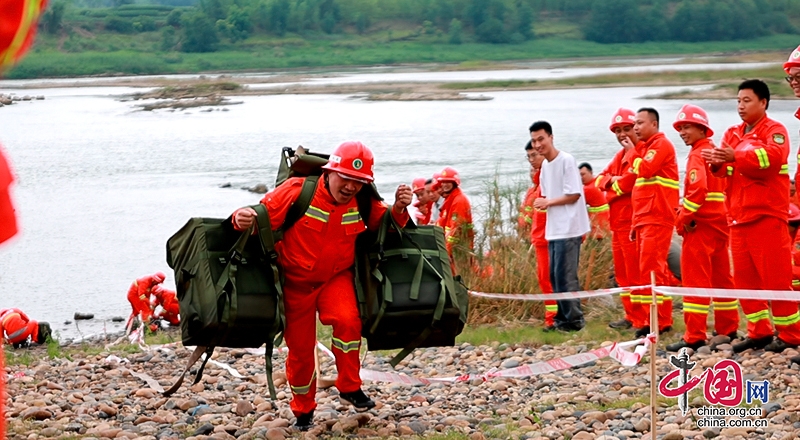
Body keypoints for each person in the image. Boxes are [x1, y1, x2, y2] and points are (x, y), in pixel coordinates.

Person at [232, 141, 412, 431]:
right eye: (347, 178)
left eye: (359, 181)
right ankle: (303, 411)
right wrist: (240, 220)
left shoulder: (363, 199)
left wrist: (400, 209)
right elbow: (260, 218)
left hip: (335, 278)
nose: (352, 186)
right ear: (330, 172)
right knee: (301, 352)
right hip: (295, 283)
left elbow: (385, 226)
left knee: (348, 322)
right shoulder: (298, 191)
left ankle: (350, 386)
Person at [702, 79, 800, 353]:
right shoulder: (733, 133)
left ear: (763, 103)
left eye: (747, 101)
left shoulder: (775, 130)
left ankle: (791, 335)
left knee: (776, 280)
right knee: (745, 281)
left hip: (767, 216)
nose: (741, 106)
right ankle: (759, 332)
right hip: (738, 218)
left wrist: (736, 155)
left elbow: (772, 158)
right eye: (738, 101)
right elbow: (725, 172)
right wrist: (717, 164)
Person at [666, 105, 738, 352]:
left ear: (701, 128)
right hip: (720, 225)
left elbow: (697, 192)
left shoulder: (699, 155)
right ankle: (727, 329)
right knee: (722, 280)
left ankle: (694, 335)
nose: (682, 132)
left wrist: (681, 220)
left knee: (695, 282)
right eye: (679, 128)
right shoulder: (715, 153)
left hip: (701, 227)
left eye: (686, 127)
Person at [531, 121, 590, 331]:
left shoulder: (566, 160)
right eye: (534, 140)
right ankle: (562, 318)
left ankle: (574, 321)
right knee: (554, 276)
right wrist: (544, 203)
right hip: (554, 228)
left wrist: (547, 202)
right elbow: (547, 194)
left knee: (566, 276)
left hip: (570, 227)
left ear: (551, 137)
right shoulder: (546, 166)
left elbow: (574, 194)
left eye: (541, 139)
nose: (538, 144)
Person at [631, 107, 679, 337]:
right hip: (645, 217)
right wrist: (635, 222)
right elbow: (639, 190)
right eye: (635, 124)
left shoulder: (660, 145)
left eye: (640, 123)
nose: (635, 127)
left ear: (654, 124)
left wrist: (633, 153)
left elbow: (646, 169)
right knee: (648, 270)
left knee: (653, 269)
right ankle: (651, 319)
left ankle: (660, 320)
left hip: (657, 216)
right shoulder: (646, 148)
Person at [595, 109, 641, 330]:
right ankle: (630, 315)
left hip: (633, 223)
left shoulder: (640, 154)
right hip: (618, 224)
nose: (622, 134)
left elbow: (629, 183)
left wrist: (613, 185)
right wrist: (615, 183)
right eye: (618, 130)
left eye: (627, 129)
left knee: (636, 274)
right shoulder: (619, 156)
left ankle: (643, 319)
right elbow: (599, 181)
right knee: (623, 275)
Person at [526, 144, 557, 329]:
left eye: (534, 155)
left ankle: (554, 319)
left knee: (550, 279)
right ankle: (552, 317)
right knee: (544, 279)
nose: (531, 160)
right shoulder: (539, 184)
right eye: (528, 157)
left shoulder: (550, 178)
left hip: (549, 237)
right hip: (540, 237)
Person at [435, 166, 474, 267]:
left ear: (454, 183)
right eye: (443, 182)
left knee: (460, 278)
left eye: (448, 182)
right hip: (453, 249)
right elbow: (443, 223)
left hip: (458, 250)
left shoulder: (458, 201)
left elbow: (455, 230)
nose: (444, 185)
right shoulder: (451, 199)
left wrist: (446, 252)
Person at [578, 162, 610, 239]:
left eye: (583, 174)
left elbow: (575, 204)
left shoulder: (587, 189)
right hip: (608, 223)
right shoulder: (599, 181)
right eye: (578, 175)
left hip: (599, 225)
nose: (580, 177)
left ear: (591, 172)